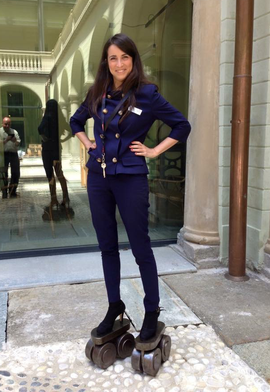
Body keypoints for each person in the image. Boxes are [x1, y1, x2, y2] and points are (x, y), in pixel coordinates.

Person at [70, 33, 191, 341]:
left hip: (130, 178)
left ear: (133, 60)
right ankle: (115, 306)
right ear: (106, 63)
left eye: (125, 57)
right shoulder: (97, 91)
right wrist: (88, 143)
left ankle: (151, 310)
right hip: (98, 177)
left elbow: (182, 125)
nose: (119, 63)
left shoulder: (147, 94)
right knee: (107, 247)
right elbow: (75, 121)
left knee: (140, 247)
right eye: (113, 58)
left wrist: (153, 151)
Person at [38, 99, 70, 207]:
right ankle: (66, 197)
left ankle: (54, 198)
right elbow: (71, 131)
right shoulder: (60, 119)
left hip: (47, 149)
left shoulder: (47, 117)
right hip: (56, 148)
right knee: (59, 173)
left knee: (50, 174)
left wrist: (45, 139)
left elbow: (40, 129)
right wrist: (61, 140)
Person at [0, 116, 21, 199]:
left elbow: (18, 143)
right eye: (5, 124)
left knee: (16, 173)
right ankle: (4, 192)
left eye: (9, 124)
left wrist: (14, 141)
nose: (7, 126)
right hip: (3, 154)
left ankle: (13, 191)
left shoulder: (14, 132)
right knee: (3, 173)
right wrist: (6, 140)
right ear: (2, 123)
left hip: (13, 154)